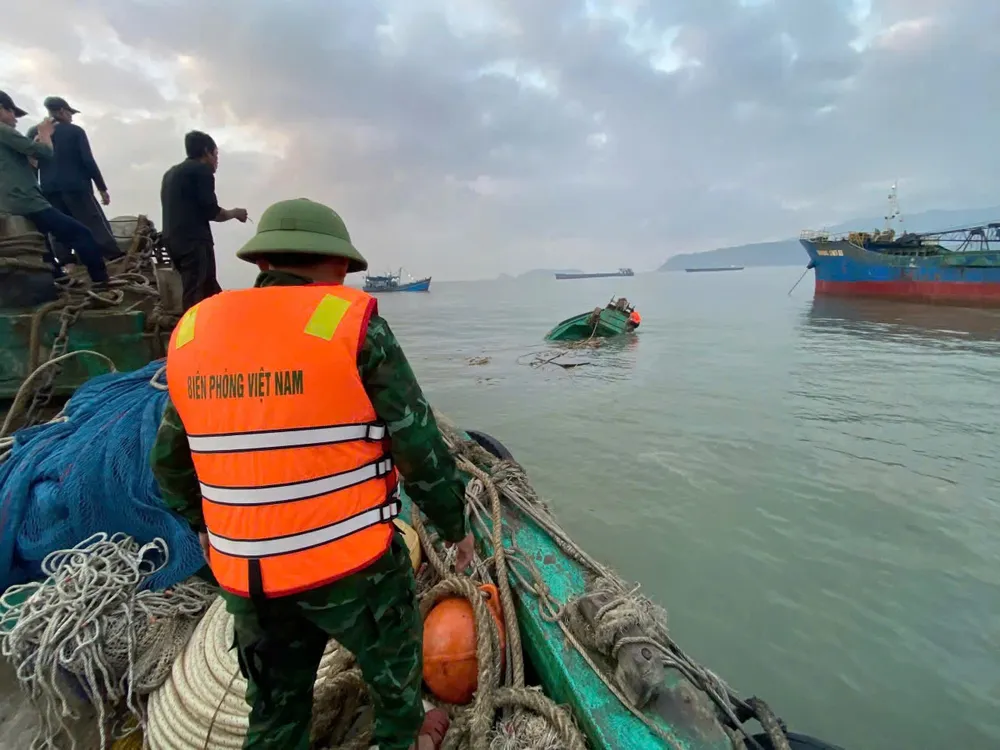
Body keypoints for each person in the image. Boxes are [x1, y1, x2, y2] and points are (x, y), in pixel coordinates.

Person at [150, 197, 474, 750]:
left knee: (274, 713)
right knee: (394, 679)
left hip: (249, 578)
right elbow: (417, 444)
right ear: (339, 265)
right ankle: (407, 736)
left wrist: (202, 526)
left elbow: (170, 464)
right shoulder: (349, 323)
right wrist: (453, 525)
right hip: (351, 565)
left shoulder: (195, 329)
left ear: (262, 264)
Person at [0, 90, 109, 284]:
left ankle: (59, 277)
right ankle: (102, 282)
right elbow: (46, 153)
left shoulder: (19, 134)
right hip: (27, 199)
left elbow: (25, 163)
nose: (15, 121)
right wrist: (45, 135)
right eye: (12, 114)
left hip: (23, 198)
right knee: (82, 233)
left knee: (44, 241)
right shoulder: (4, 130)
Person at [160, 130, 247, 311]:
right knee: (196, 294)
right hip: (194, 242)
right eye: (216, 154)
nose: (217, 161)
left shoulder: (170, 174)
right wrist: (235, 213)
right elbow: (212, 211)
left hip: (172, 242)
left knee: (207, 287)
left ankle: (221, 319)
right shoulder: (201, 170)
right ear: (207, 151)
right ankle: (191, 333)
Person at [31, 95, 122, 265]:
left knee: (59, 226)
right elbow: (88, 161)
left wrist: (35, 189)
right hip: (76, 187)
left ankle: (66, 261)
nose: (71, 117)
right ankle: (112, 256)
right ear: (62, 112)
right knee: (92, 221)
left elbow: (31, 163)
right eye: (70, 113)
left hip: (49, 189)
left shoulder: (34, 132)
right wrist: (102, 188)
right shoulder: (75, 131)